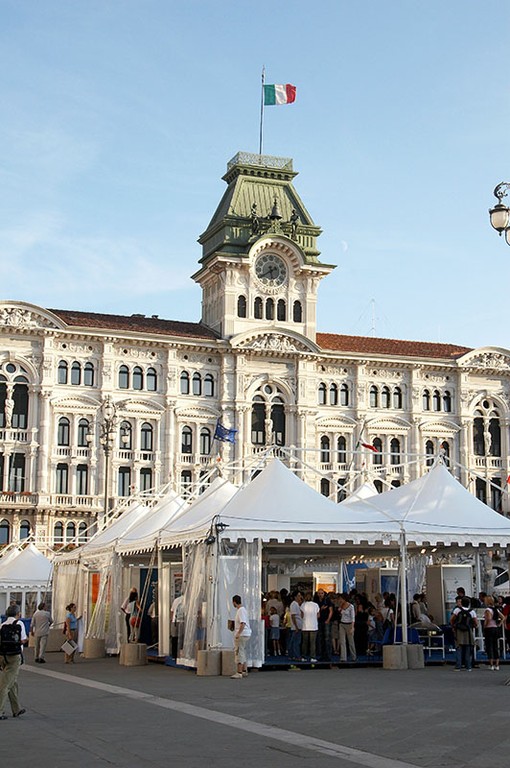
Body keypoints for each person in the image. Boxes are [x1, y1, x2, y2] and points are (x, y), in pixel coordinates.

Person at [0, 604, 27, 718]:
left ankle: (16, 708)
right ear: (18, 614)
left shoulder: (2, 625)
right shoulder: (19, 623)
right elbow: (23, 639)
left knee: (12, 681)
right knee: (5, 684)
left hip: (3, 656)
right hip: (15, 656)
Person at [450, 596, 478, 671]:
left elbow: (451, 619)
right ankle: (468, 666)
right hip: (468, 631)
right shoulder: (472, 611)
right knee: (468, 648)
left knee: (459, 648)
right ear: (469, 604)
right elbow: (476, 622)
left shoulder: (457, 610)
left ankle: (458, 666)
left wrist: (453, 626)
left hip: (459, 630)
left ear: (461, 603)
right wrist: (473, 626)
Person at [231, 595, 251, 679]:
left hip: (242, 634)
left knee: (239, 652)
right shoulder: (243, 610)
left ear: (234, 602)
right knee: (242, 651)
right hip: (246, 634)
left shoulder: (240, 611)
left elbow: (243, 623)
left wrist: (238, 633)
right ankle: (244, 670)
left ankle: (239, 672)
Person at [483, 596, 503, 671]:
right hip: (495, 628)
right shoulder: (496, 609)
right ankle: (497, 664)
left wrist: (485, 625)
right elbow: (503, 617)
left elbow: (488, 618)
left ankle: (491, 664)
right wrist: (499, 624)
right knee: (495, 646)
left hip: (489, 628)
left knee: (489, 646)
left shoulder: (488, 610)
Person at [314, 588, 333, 662]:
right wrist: (320, 609)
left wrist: (328, 620)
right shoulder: (316, 601)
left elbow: (331, 611)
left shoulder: (327, 600)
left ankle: (328, 655)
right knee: (321, 638)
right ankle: (322, 655)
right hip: (319, 621)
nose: (320, 595)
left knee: (327, 638)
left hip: (326, 621)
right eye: (319, 593)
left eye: (321, 593)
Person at [301, 591, 319, 662]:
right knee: (313, 643)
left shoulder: (303, 605)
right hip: (314, 625)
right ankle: (313, 657)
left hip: (305, 626)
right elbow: (318, 615)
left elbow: (302, 615)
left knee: (304, 642)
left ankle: (303, 656)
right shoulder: (316, 605)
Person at [339, 594, 357, 662]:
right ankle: (343, 657)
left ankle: (353, 656)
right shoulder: (341, 605)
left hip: (349, 624)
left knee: (351, 641)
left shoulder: (351, 606)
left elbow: (353, 617)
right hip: (342, 624)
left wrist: (352, 627)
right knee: (342, 641)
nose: (340, 600)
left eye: (341, 599)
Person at [287, 592, 303, 662]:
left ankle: (292, 655)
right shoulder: (294, 604)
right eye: (298, 596)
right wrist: (296, 626)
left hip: (298, 625)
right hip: (296, 626)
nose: (300, 597)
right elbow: (293, 616)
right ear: (295, 597)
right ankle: (296, 655)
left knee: (294, 641)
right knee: (296, 642)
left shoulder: (297, 604)